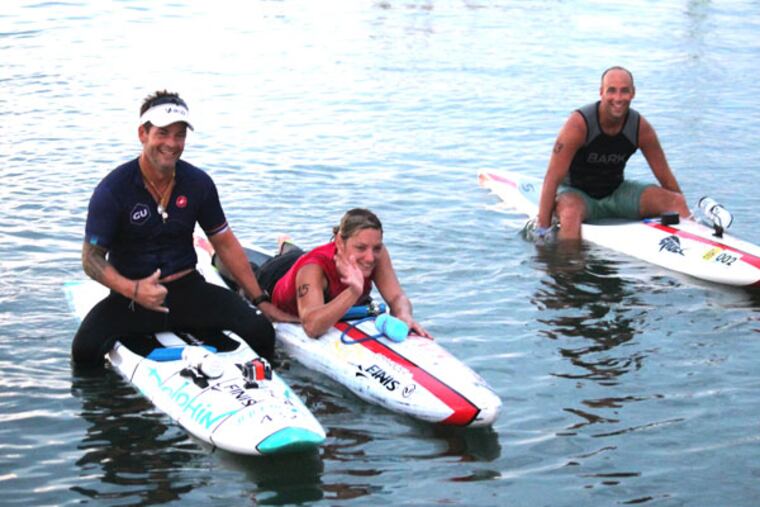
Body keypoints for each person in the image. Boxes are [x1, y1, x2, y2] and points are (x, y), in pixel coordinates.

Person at [71, 90, 294, 366]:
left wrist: (260, 300)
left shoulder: (197, 183)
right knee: (84, 351)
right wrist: (134, 289)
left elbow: (224, 242)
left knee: (261, 332)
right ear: (143, 134)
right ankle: (115, 407)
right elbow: (91, 259)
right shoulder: (113, 190)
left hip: (188, 292)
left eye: (180, 135)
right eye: (163, 133)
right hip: (131, 300)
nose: (172, 143)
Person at [536, 66, 690, 241]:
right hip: (577, 195)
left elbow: (666, 178)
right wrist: (542, 229)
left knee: (676, 202)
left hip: (616, 193)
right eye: (612, 91)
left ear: (633, 93)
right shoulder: (578, 125)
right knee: (570, 215)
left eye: (624, 91)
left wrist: (685, 214)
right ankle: (567, 264)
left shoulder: (640, 128)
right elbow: (552, 177)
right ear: (601, 92)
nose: (618, 98)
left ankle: (696, 248)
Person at [256, 208, 431, 339]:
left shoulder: (377, 254)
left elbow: (396, 297)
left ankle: (286, 244)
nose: (370, 258)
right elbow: (312, 327)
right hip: (275, 274)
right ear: (340, 241)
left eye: (376, 247)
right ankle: (284, 245)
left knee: (295, 253)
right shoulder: (313, 269)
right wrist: (353, 292)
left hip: (304, 260)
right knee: (250, 272)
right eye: (361, 247)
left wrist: (403, 316)